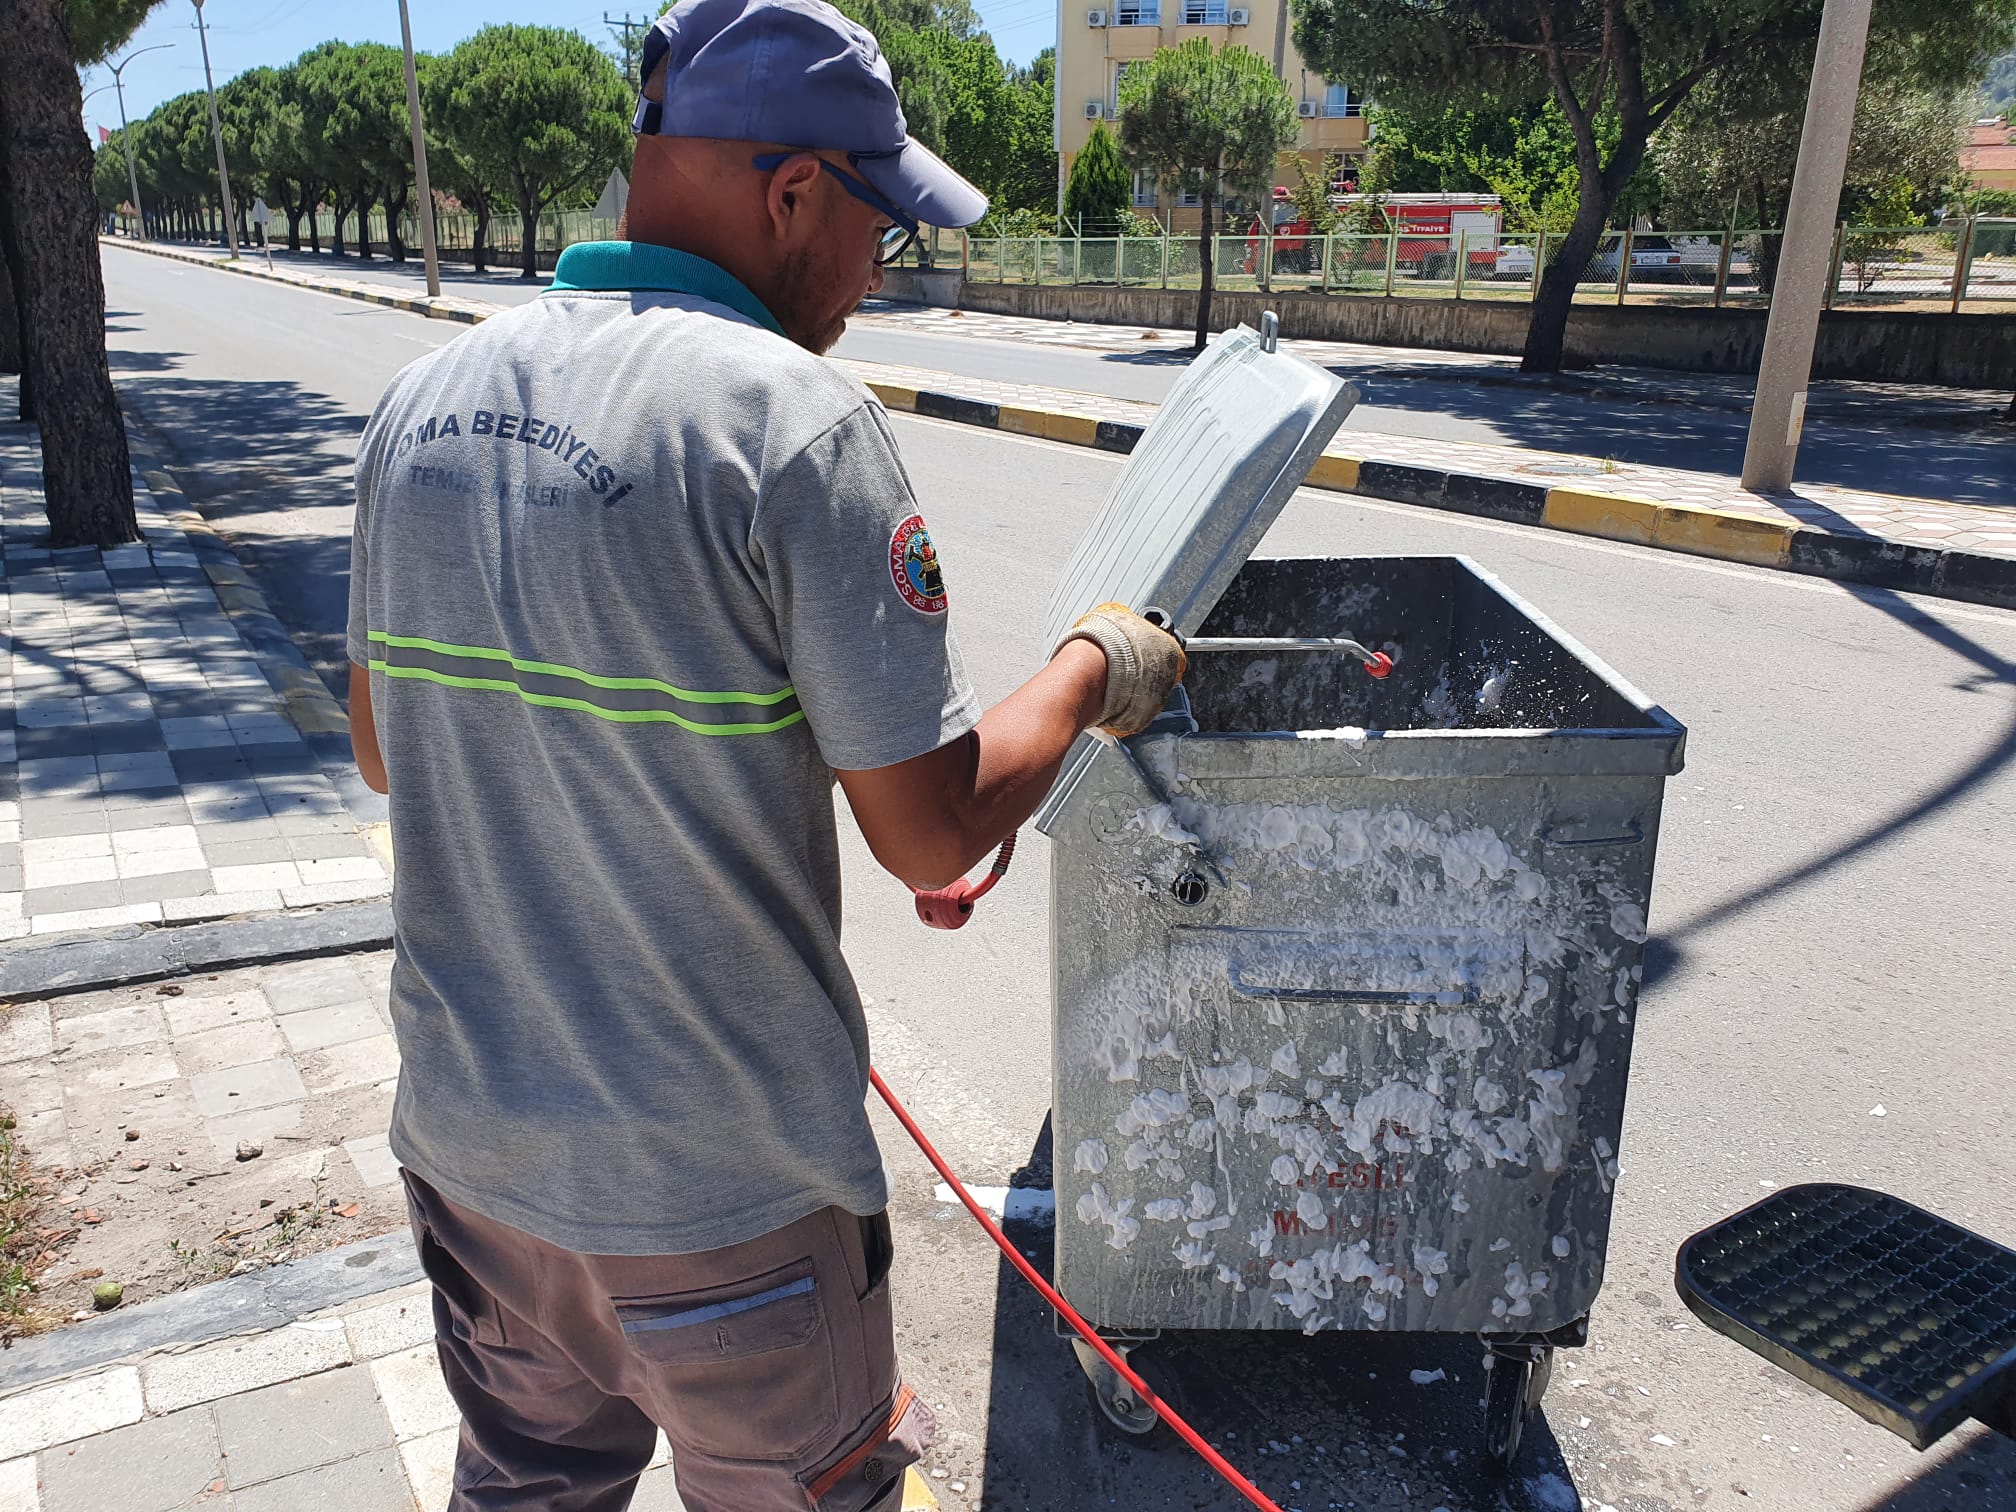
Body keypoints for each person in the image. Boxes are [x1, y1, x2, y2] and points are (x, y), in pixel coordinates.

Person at [343, 0, 1186, 1506]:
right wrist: (1093, 669)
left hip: (476, 1173)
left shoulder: (423, 404)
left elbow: (387, 750)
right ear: (793, 192)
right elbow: (931, 831)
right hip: (721, 1208)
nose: (877, 273)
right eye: (878, 226)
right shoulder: (791, 420)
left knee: (525, 1483)